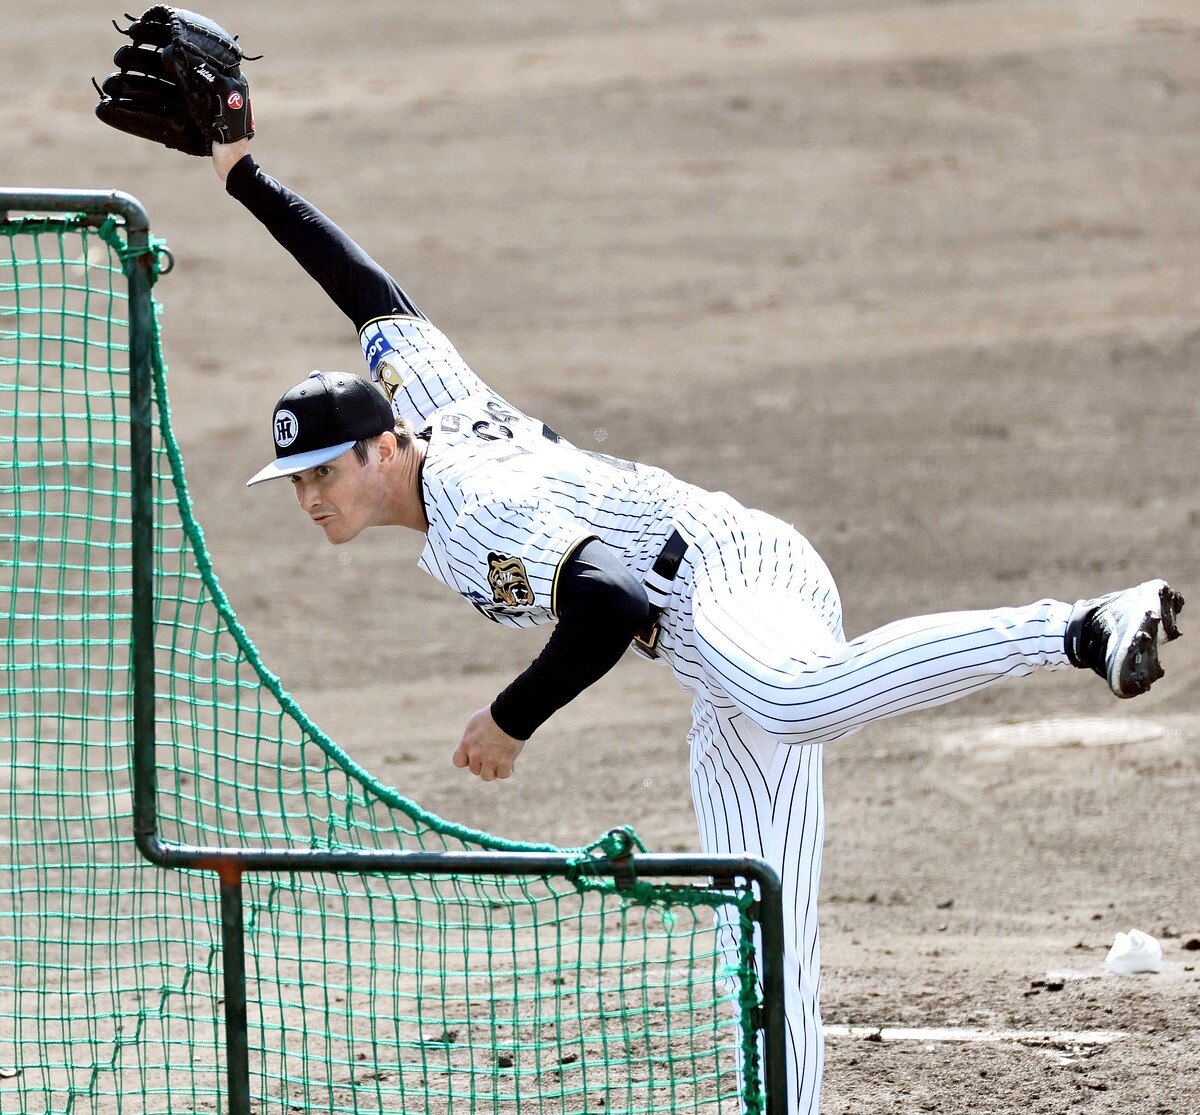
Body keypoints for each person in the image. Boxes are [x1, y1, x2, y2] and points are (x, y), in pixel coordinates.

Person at [197, 130, 1189, 1112]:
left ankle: (1077, 624)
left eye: (321, 471)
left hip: (730, 572)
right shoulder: (435, 402)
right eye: (295, 480)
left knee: (798, 693)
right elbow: (367, 290)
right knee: (760, 932)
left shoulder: (473, 507)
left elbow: (609, 603)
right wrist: (244, 172)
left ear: (379, 449)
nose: (309, 497)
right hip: (706, 642)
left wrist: (510, 718)